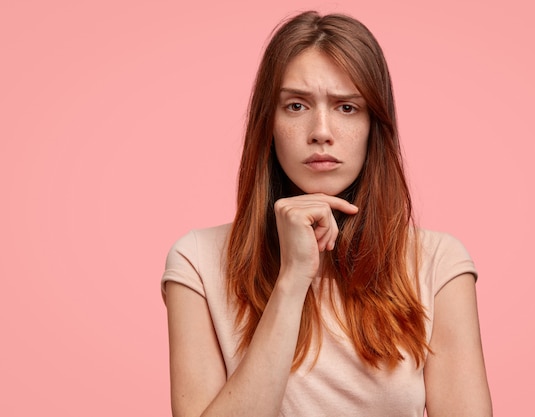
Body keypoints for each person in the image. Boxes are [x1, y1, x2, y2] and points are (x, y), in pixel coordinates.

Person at [162, 10, 492, 417]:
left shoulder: (438, 265)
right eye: (297, 105)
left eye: (347, 108)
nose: (321, 130)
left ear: (375, 125)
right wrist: (292, 279)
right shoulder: (197, 261)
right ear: (269, 122)